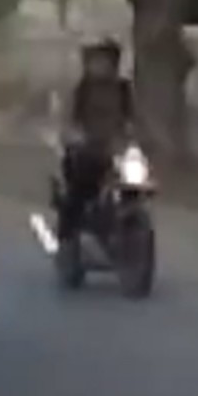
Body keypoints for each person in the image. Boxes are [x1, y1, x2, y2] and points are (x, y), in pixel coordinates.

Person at [57, 37, 136, 243]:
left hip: (115, 149)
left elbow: (133, 117)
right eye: (96, 61)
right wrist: (76, 136)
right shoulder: (82, 90)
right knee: (80, 187)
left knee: (137, 180)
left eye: (106, 61)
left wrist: (133, 135)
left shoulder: (123, 88)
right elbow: (70, 119)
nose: (101, 66)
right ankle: (68, 231)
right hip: (87, 150)